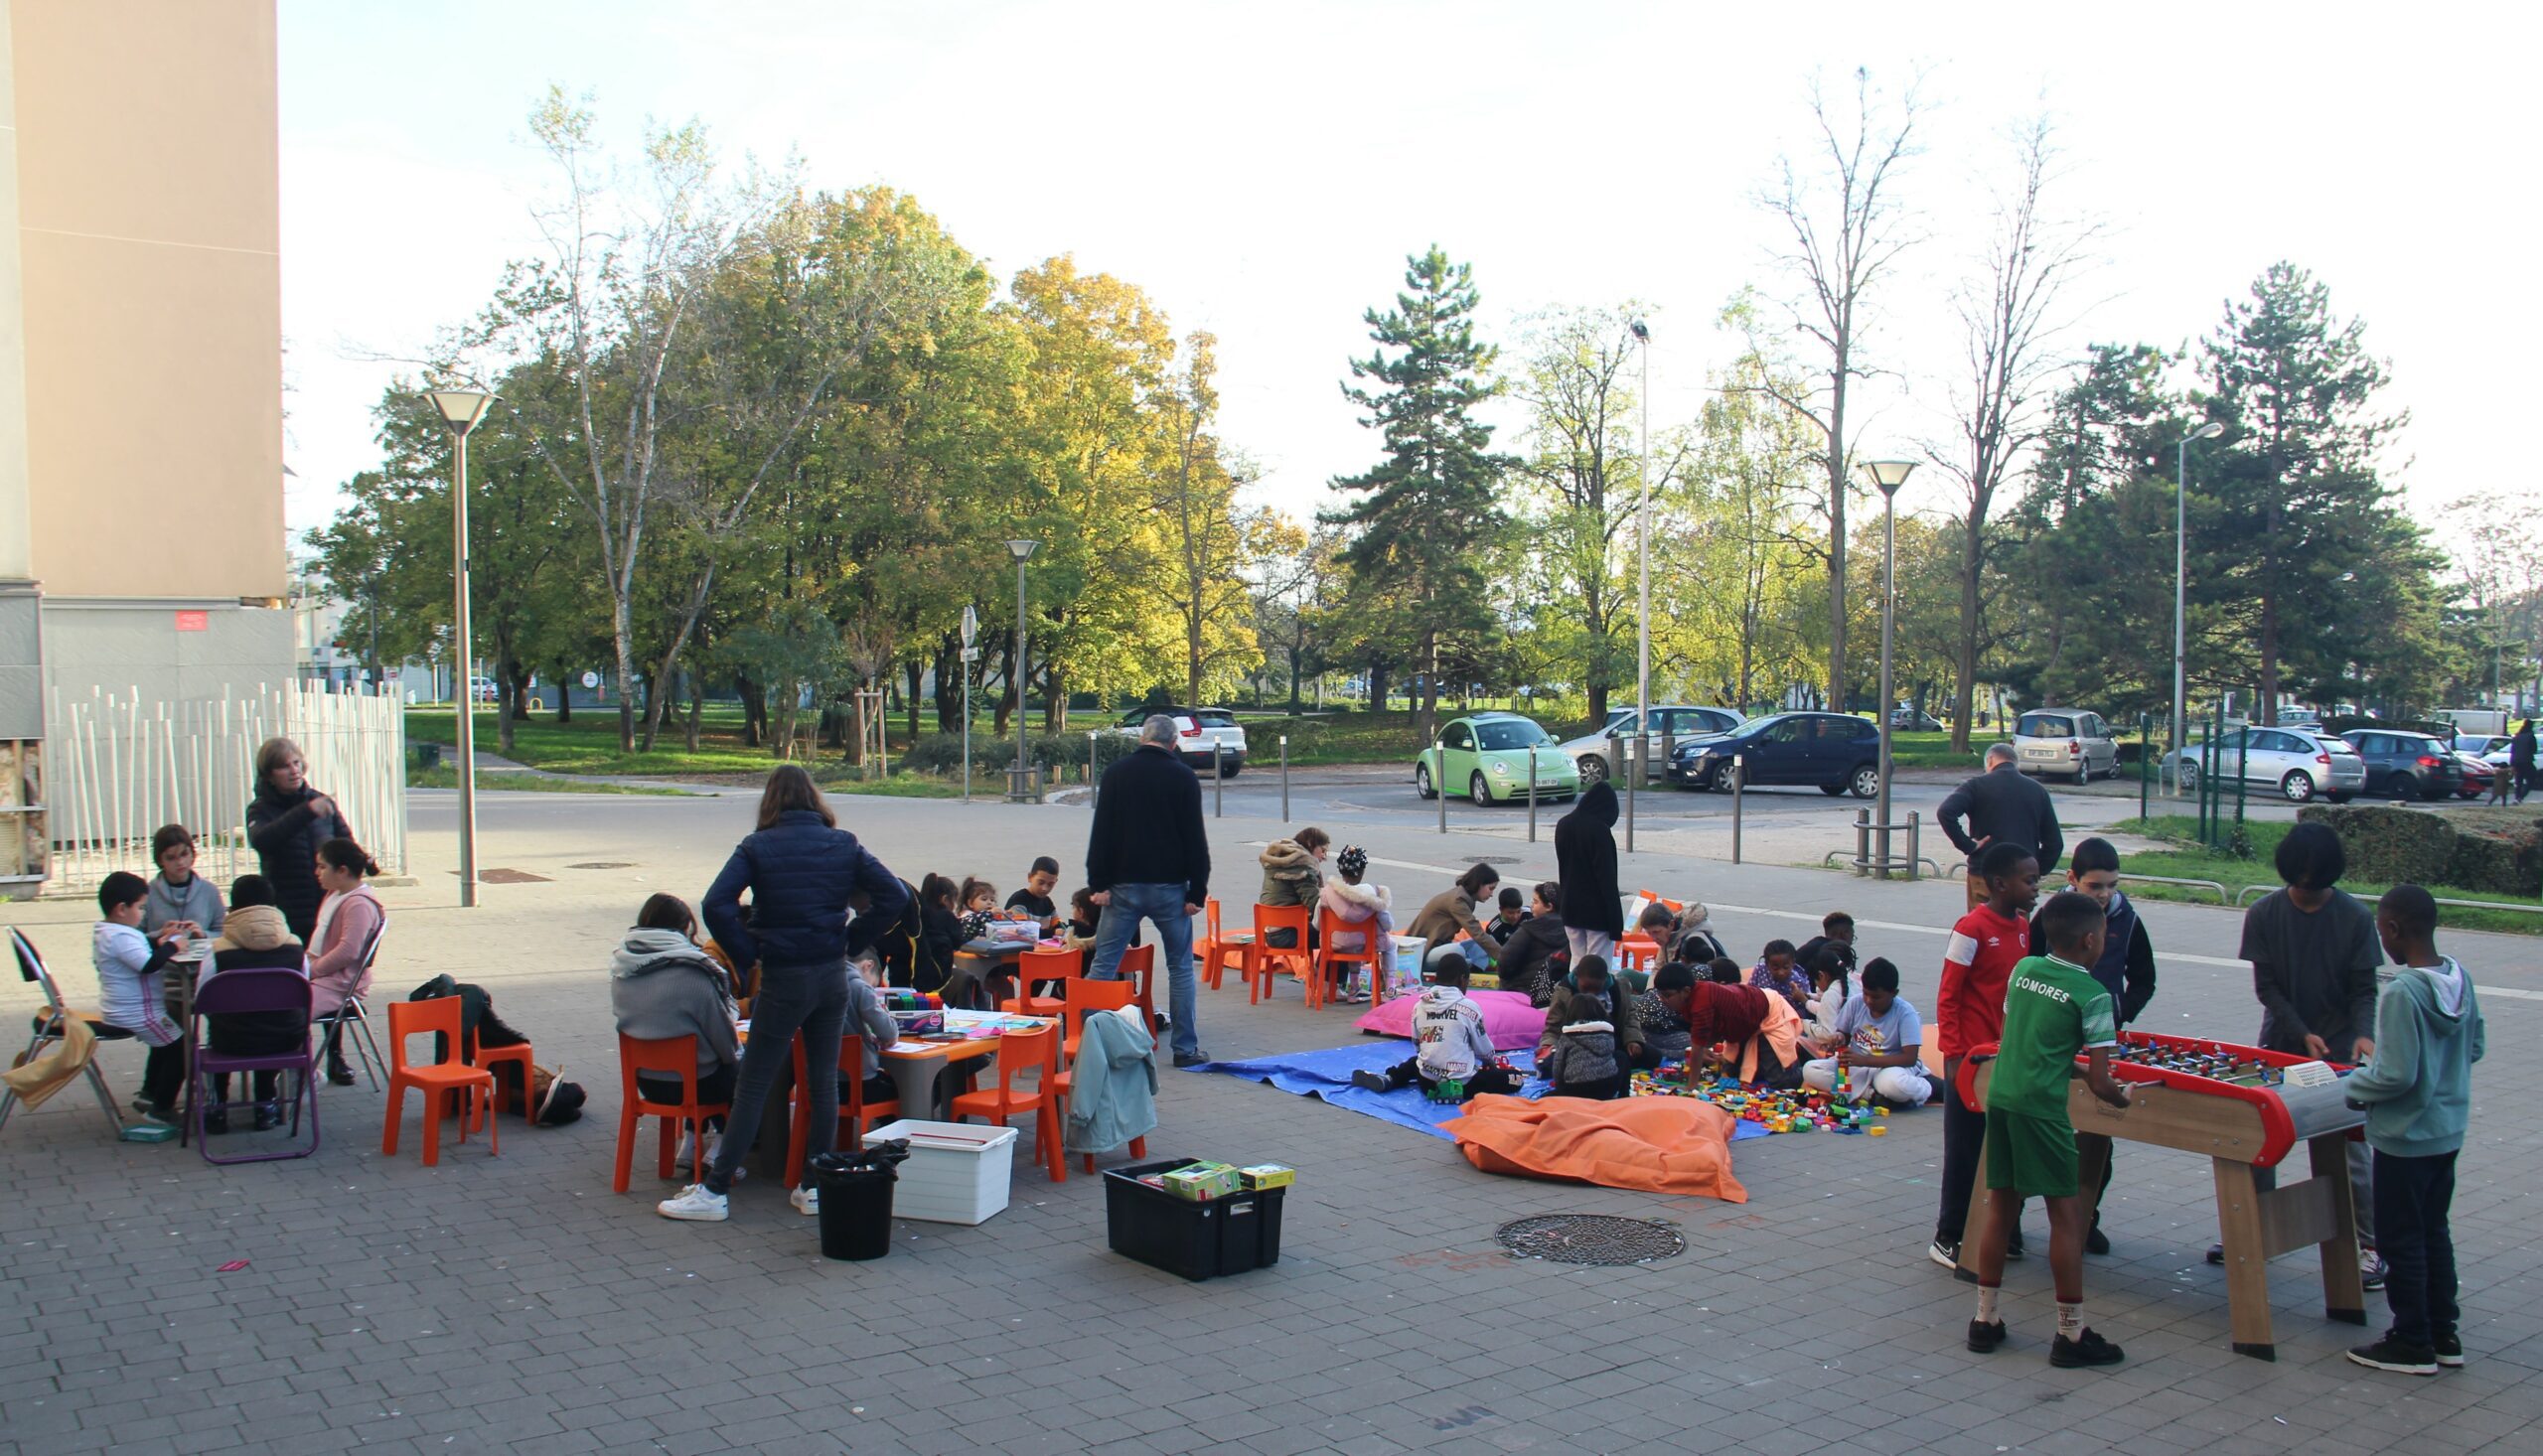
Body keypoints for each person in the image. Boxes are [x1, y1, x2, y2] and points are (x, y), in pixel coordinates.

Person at [662, 766, 909, 1224]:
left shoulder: (758, 846)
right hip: (833, 974)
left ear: (770, 801)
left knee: (754, 1082)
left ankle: (715, 1190)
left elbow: (716, 903)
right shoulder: (844, 843)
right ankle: (815, 1185)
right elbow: (893, 894)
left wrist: (748, 951)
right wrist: (852, 941)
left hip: (783, 974)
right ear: (816, 800)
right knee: (823, 1082)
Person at [1963, 890, 2132, 1369]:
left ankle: (1985, 1320)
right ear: (2091, 940)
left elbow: (2032, 1041)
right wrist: (2123, 1098)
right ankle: (2071, 1335)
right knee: (2066, 1215)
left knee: (2002, 1207)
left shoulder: (2024, 970)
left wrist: (2071, 1068)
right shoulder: (2094, 996)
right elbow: (2102, 1081)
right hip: (2042, 1109)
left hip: (2004, 1097)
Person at [2220, 819, 2384, 1285]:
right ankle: (2251, 1230)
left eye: (2317, 884)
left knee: (2351, 1153)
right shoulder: (2265, 913)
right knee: (2258, 1142)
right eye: (2301, 883)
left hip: (2338, 1055)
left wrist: (2362, 1035)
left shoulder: (2354, 918)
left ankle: (2369, 1245)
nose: (2308, 892)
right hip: (2279, 1046)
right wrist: (2301, 1031)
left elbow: (2364, 989)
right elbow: (2267, 987)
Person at [2341, 885, 2485, 1376]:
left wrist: (2355, 1084)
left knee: (2399, 1238)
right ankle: (2445, 1332)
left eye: (2382, 928)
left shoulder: (2403, 991)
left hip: (2405, 1136)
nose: (2381, 936)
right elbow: (2476, 1047)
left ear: (2395, 929)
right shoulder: (2459, 977)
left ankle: (2411, 1340)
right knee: (2432, 1230)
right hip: (2448, 1130)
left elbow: (2396, 1075)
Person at [2029, 836, 2157, 1254]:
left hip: (2100, 1040)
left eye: (2111, 886)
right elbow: (2026, 968)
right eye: (2095, 886)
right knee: (2042, 1135)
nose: (2104, 895)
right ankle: (2011, 1218)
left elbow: (2145, 979)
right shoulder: (2050, 918)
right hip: (2051, 1046)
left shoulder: (2128, 920)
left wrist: (2119, 1011)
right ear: (2072, 880)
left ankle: (2086, 1217)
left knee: (2097, 1137)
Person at [1931, 841, 2041, 1270]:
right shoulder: (1970, 928)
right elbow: (1948, 995)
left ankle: (2004, 1229)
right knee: (1964, 1151)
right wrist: (1955, 1054)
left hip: (2005, 1058)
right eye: (2029, 880)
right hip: (1970, 1062)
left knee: (2006, 1146)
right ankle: (1948, 1236)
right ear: (1999, 883)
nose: (2035, 888)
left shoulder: (2023, 928)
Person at [1084, 714, 1211, 1067]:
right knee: (1181, 968)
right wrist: (1197, 892)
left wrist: (1098, 883)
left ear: (1142, 738)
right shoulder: (1183, 776)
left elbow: (1103, 831)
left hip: (1122, 887)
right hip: (1171, 888)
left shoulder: (1116, 774)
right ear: (1174, 743)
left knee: (1104, 964)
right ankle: (1185, 1050)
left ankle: (1084, 1042)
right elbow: (1194, 838)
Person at [612, 894, 743, 1168]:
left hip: (646, 1082)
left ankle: (691, 1140)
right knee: (742, 1070)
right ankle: (722, 1145)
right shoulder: (694, 973)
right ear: (685, 929)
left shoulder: (622, 969)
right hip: (697, 1085)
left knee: (699, 1062)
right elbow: (726, 1045)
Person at [202, 875, 309, 1133]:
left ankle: (217, 1107)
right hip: (286, 1041)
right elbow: (306, 992)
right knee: (271, 1020)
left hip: (231, 1041)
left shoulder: (218, 950)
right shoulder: (295, 947)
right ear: (274, 906)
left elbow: (201, 1000)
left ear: (233, 908)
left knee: (227, 1024)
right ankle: (266, 1104)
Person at [91, 871, 193, 1124]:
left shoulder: (111, 932)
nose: (144, 913)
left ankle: (150, 1093)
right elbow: (148, 964)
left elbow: (139, 950)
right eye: (141, 907)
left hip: (129, 1008)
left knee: (168, 1041)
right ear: (121, 909)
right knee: (181, 1048)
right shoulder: (121, 936)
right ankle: (162, 1107)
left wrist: (160, 939)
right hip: (137, 1011)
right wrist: (172, 946)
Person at [1351, 959, 1518, 1100]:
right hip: (1463, 1084)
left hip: (1427, 1083)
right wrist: (1492, 1065)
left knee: (1416, 1062)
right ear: (1462, 980)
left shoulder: (1419, 1005)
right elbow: (1484, 1050)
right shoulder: (1470, 1008)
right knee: (1514, 1079)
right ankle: (1452, 1089)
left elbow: (1418, 1045)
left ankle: (1390, 1078)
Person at [244, 736, 353, 941]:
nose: (294, 770)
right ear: (269, 775)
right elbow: (262, 840)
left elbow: (346, 844)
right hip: (288, 909)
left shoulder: (320, 801)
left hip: (328, 905)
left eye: (296, 763)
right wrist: (306, 811)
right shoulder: (260, 809)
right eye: (284, 766)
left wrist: (364, 860)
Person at [1938, 744, 2064, 911]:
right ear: (2015, 763)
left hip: (1984, 872)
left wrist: (1968, 845)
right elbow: (2055, 843)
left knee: (1981, 928)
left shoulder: (1976, 785)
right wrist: (2035, 871)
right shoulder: (2037, 791)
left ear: (1990, 760)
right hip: (2021, 877)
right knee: (2017, 930)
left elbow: (1946, 812)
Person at [306, 838, 385, 1087]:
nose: (316, 872)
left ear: (342, 871)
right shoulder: (336, 894)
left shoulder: (359, 904)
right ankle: (294, 1071)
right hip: (326, 979)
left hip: (340, 985)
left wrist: (312, 970)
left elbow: (348, 952)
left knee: (288, 1012)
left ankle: (302, 1073)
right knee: (277, 1003)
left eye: (321, 867)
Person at [1802, 957, 1931, 1106]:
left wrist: (1865, 1061)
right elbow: (1843, 1034)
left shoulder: (1905, 1013)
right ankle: (1870, 1095)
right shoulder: (1856, 1003)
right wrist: (1838, 1038)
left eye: (1876, 997)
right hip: (1857, 1067)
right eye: (1865, 994)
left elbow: (1909, 1058)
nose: (1869, 1001)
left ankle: (1925, 1088)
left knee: (1892, 1085)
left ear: (1894, 993)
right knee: (1810, 1069)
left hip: (1888, 1068)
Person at [1538, 956, 1626, 1099]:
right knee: (1621, 1058)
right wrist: (1547, 1046)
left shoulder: (1617, 988)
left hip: (1574, 1089)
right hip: (1606, 1088)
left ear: (1605, 980)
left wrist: (1634, 1040)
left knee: (1545, 1098)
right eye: (1586, 988)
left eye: (1596, 989)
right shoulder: (1607, 1033)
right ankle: (1623, 1097)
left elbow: (1559, 1068)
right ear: (1577, 978)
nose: (1590, 994)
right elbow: (1552, 1027)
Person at [1554, 782, 1623, 965]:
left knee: (1576, 959)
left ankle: (1574, 993)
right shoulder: (1599, 831)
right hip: (1597, 912)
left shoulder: (1564, 824)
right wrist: (1616, 922)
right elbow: (1607, 879)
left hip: (1570, 907)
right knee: (1598, 964)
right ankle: (1595, 995)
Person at [1407, 863, 1508, 976]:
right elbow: (1477, 933)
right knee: (1459, 951)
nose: (1491, 894)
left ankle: (1476, 967)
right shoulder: (1458, 900)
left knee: (1483, 943)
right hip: (1421, 955)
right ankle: (1476, 969)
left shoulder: (1463, 897)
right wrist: (1505, 958)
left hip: (1437, 947)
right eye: (1491, 888)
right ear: (1479, 884)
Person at [1321, 846, 1395, 1003]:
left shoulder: (1327, 893)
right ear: (1361, 872)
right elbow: (1387, 924)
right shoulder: (1372, 895)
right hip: (1364, 945)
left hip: (1334, 943)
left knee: (1352, 940)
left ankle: (1354, 987)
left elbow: (1317, 923)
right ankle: (1390, 988)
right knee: (1390, 945)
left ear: (1341, 870)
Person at [144, 825, 225, 941]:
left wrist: (203, 934)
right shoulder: (148, 893)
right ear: (160, 860)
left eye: (184, 854)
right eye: (171, 858)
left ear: (193, 854)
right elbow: (134, 937)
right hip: (162, 956)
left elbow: (223, 933)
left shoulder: (210, 891)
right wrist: (160, 934)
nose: (180, 862)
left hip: (202, 956)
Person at [1496, 882, 1571, 1006]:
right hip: (1557, 993)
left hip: (1521, 992)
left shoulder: (1529, 929)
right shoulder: (1570, 930)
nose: (1531, 906)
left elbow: (1505, 962)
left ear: (1549, 907)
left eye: (1535, 902)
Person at [1256, 827, 1328, 948]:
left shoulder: (1280, 861)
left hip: (1270, 931)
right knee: (1335, 934)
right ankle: (1325, 967)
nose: (1324, 856)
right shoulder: (1302, 867)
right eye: (1323, 850)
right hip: (1287, 934)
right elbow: (1314, 904)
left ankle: (1321, 966)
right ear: (1311, 844)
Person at [1635, 961, 1698, 1066]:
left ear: (1686, 992)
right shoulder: (1654, 1010)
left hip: (1658, 1031)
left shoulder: (1699, 1001)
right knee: (1693, 1045)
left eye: (1667, 996)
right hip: (1650, 1029)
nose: (1662, 1000)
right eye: (1660, 995)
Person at [1801, 944, 1856, 1043]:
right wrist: (1809, 997)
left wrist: (1803, 1024)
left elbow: (1828, 1034)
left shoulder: (1830, 995)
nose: (1817, 985)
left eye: (1816, 981)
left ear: (1821, 976)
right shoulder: (1850, 983)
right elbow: (1830, 1010)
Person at [1749, 940, 1811, 1018]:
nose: (1781, 972)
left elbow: (1805, 1006)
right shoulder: (1759, 970)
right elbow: (1750, 992)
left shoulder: (1799, 981)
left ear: (1793, 963)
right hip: (1762, 1012)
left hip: (1789, 1016)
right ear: (1767, 964)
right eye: (1775, 968)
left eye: (1786, 967)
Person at [1005, 856, 1063, 933]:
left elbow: (1058, 925)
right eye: (1041, 882)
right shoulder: (1018, 900)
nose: (1044, 888)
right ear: (1030, 877)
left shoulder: (1048, 902)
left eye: (1050, 884)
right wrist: (1053, 933)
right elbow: (1023, 931)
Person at [1793, 911, 1855, 980]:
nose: (1851, 942)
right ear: (1843, 934)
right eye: (1852, 937)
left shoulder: (1815, 944)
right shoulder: (1833, 953)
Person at [2513, 719, 2536, 804]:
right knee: (2531, 779)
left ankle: (2517, 797)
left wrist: (2512, 762)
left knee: (2518, 780)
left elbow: (2513, 750)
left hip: (2516, 761)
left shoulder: (2517, 736)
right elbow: (2534, 749)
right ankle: (2521, 797)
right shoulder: (2530, 736)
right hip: (2527, 760)